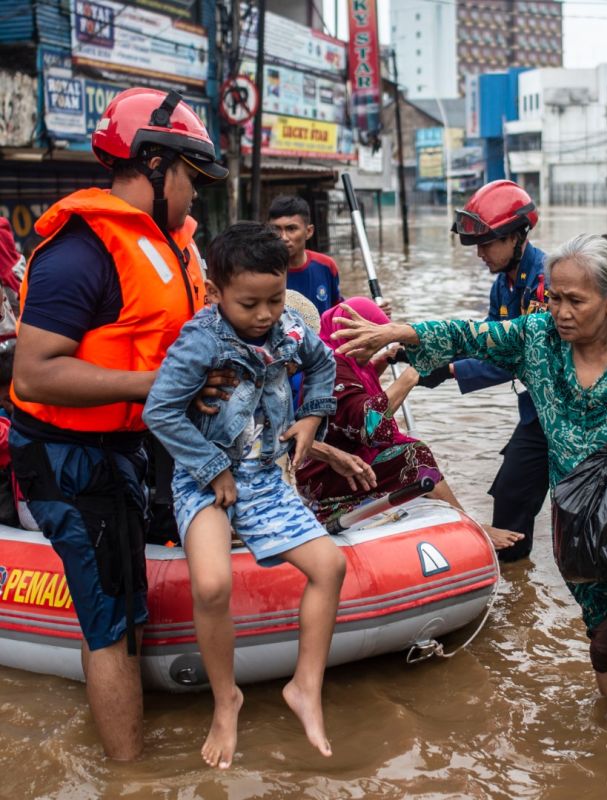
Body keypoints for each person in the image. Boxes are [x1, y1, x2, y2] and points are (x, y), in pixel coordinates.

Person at [332, 233, 607, 731]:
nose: (561, 312)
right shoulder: (537, 338)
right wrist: (401, 333)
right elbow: (472, 336)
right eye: (553, 298)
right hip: (577, 512)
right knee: (601, 629)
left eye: (575, 300)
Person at [7, 87, 227, 760]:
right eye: (191, 176)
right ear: (154, 164)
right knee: (113, 625)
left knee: (122, 607)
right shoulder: (80, 253)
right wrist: (159, 385)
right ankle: (128, 777)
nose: (197, 194)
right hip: (67, 457)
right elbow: (34, 374)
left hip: (123, 446)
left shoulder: (174, 246)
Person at [142, 221, 343, 768]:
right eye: (250, 303)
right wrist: (211, 469)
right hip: (202, 476)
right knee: (211, 584)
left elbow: (323, 363)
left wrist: (311, 417)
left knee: (330, 565)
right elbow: (158, 410)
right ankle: (225, 699)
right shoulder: (201, 340)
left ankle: (305, 687)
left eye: (275, 299)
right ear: (216, 293)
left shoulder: (289, 330)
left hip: (261, 474)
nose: (264, 315)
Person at [294, 297, 522, 550]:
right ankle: (472, 527)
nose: (377, 344)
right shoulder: (333, 367)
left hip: (346, 457)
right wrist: (413, 374)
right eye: (373, 337)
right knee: (415, 453)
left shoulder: (347, 360)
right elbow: (367, 425)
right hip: (330, 471)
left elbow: (354, 395)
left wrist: (382, 361)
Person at [425, 179, 548, 563]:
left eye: (487, 243)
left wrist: (447, 371)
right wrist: (426, 351)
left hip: (570, 411)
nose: (480, 253)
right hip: (537, 411)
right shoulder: (503, 285)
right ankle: (514, 583)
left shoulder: (547, 281)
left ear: (517, 237)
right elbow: (485, 338)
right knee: (511, 493)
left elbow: (515, 356)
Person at [267, 195, 343, 316]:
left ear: (308, 232)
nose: (283, 237)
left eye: (291, 229)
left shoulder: (327, 266)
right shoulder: (262, 270)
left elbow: (338, 310)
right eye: (276, 229)